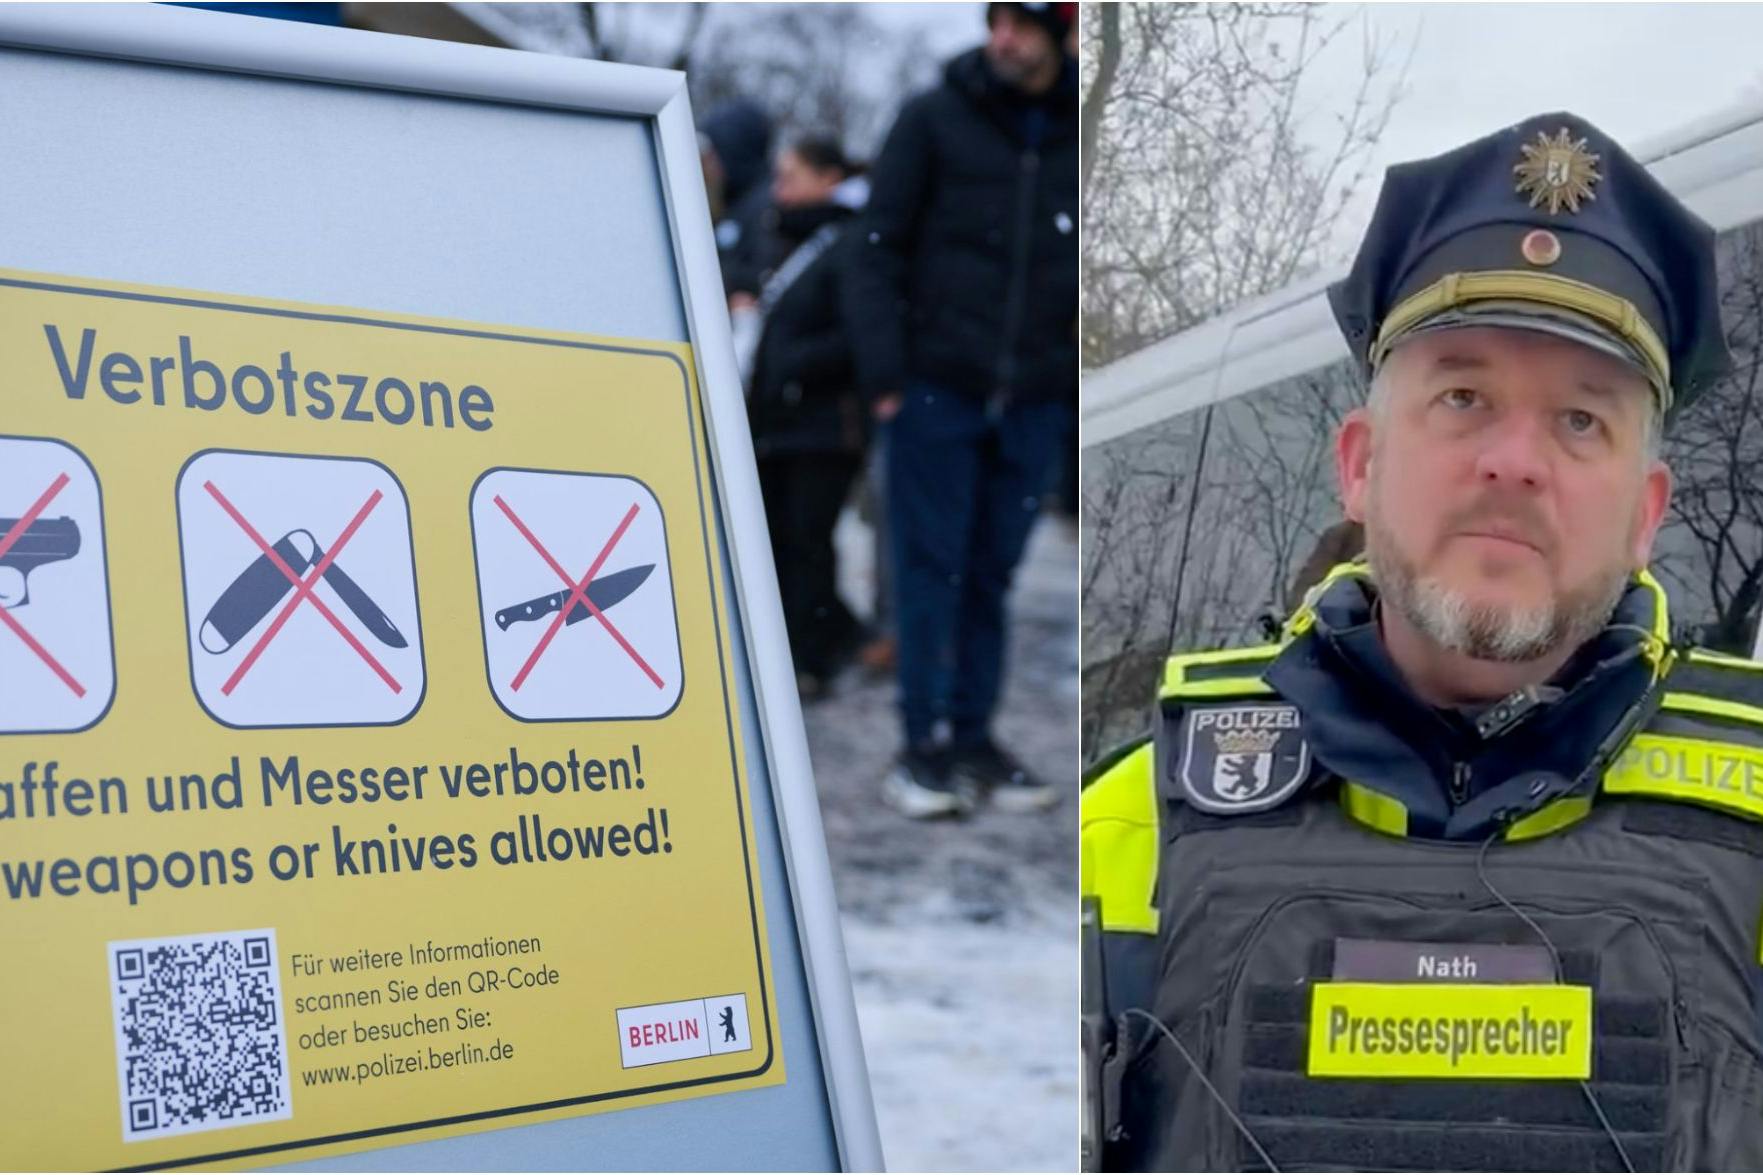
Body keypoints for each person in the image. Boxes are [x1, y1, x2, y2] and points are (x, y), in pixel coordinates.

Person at [1080, 112, 1763, 1171]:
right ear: (1357, 464)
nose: (1512, 460)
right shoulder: (1121, 829)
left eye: (1580, 421)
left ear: (1645, 510)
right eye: (1461, 395)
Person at [846, 1, 1078, 818]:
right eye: (995, 21)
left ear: (1062, 31)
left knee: (990, 578)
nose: (1002, 38)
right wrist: (885, 377)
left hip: (1034, 401)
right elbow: (874, 247)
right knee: (926, 572)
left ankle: (974, 737)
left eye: (1020, 23)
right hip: (935, 390)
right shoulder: (933, 118)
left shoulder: (1076, 131)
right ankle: (921, 746)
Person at [747, 136, 868, 701]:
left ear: (828, 177)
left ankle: (811, 658)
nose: (780, 189)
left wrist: (792, 366)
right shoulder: (786, 243)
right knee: (774, 539)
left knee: (808, 542)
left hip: (823, 427)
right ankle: (807, 644)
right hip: (779, 423)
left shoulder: (847, 244)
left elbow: (859, 336)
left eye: (792, 176)